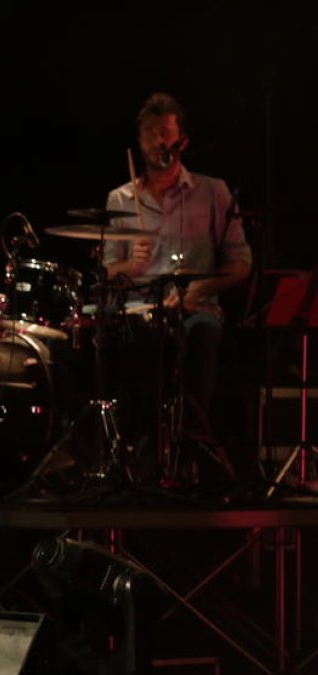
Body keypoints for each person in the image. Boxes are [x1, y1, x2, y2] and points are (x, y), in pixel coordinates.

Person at [103, 93, 252, 454]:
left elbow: (241, 263)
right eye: (150, 133)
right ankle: (137, 447)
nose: (157, 141)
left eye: (164, 132)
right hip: (139, 310)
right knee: (120, 336)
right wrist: (128, 267)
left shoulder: (212, 192)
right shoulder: (120, 199)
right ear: (139, 142)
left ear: (182, 140)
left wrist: (199, 290)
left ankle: (194, 447)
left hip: (195, 310)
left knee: (202, 333)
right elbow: (108, 273)